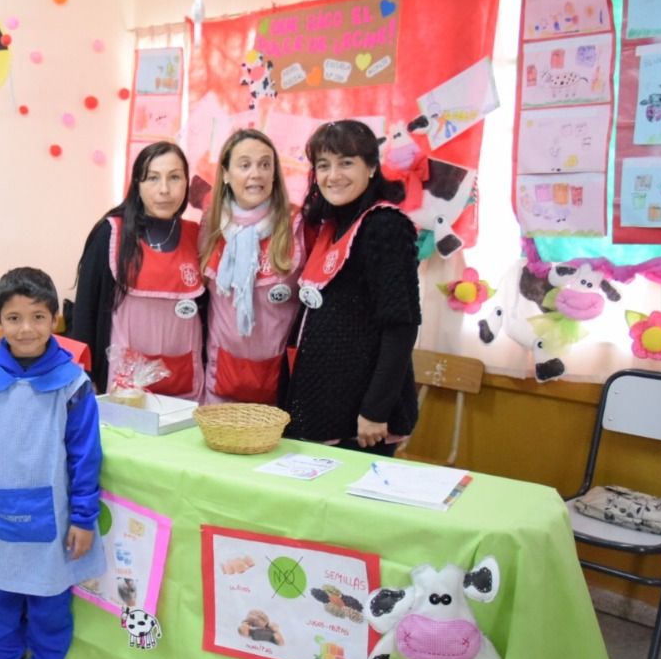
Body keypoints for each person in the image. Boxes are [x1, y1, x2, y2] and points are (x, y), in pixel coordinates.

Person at [0, 267, 105, 659]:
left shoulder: (73, 384)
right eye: (14, 317)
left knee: (49, 604)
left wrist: (83, 517)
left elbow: (85, 457)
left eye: (38, 317)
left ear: (55, 320)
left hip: (55, 520)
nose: (26, 329)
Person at [284, 120, 420, 455]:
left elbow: (401, 326)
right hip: (323, 404)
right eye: (323, 165)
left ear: (372, 167)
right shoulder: (332, 223)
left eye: (346, 163)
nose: (333, 175)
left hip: (362, 418)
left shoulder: (384, 225)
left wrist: (375, 409)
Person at [69, 142, 206, 398]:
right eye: (153, 178)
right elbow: (85, 313)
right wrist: (84, 378)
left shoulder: (196, 236)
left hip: (185, 382)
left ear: (187, 183)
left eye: (174, 177)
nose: (164, 189)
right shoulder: (111, 234)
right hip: (123, 383)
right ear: (137, 184)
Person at [199, 129, 307, 405]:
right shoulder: (209, 226)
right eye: (244, 165)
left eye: (264, 164)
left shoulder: (297, 224)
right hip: (219, 382)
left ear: (274, 173)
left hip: (280, 383)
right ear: (225, 173)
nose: (256, 173)